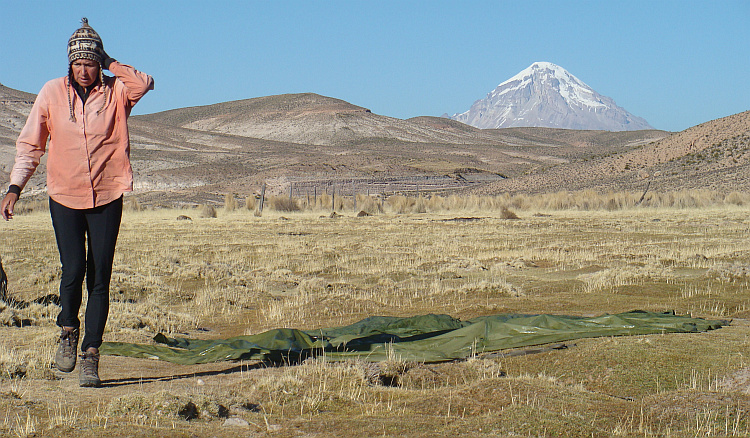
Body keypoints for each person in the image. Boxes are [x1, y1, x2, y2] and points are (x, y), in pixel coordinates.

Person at [1, 18, 154, 387]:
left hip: (107, 194)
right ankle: (68, 330)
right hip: (64, 196)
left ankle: (91, 355)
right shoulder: (52, 93)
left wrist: (110, 60)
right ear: (68, 64)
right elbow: (31, 144)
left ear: (98, 62)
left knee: (100, 276)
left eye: (91, 62)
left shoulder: (117, 92)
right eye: (79, 63)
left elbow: (145, 82)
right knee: (72, 271)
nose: (85, 71)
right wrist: (14, 187)